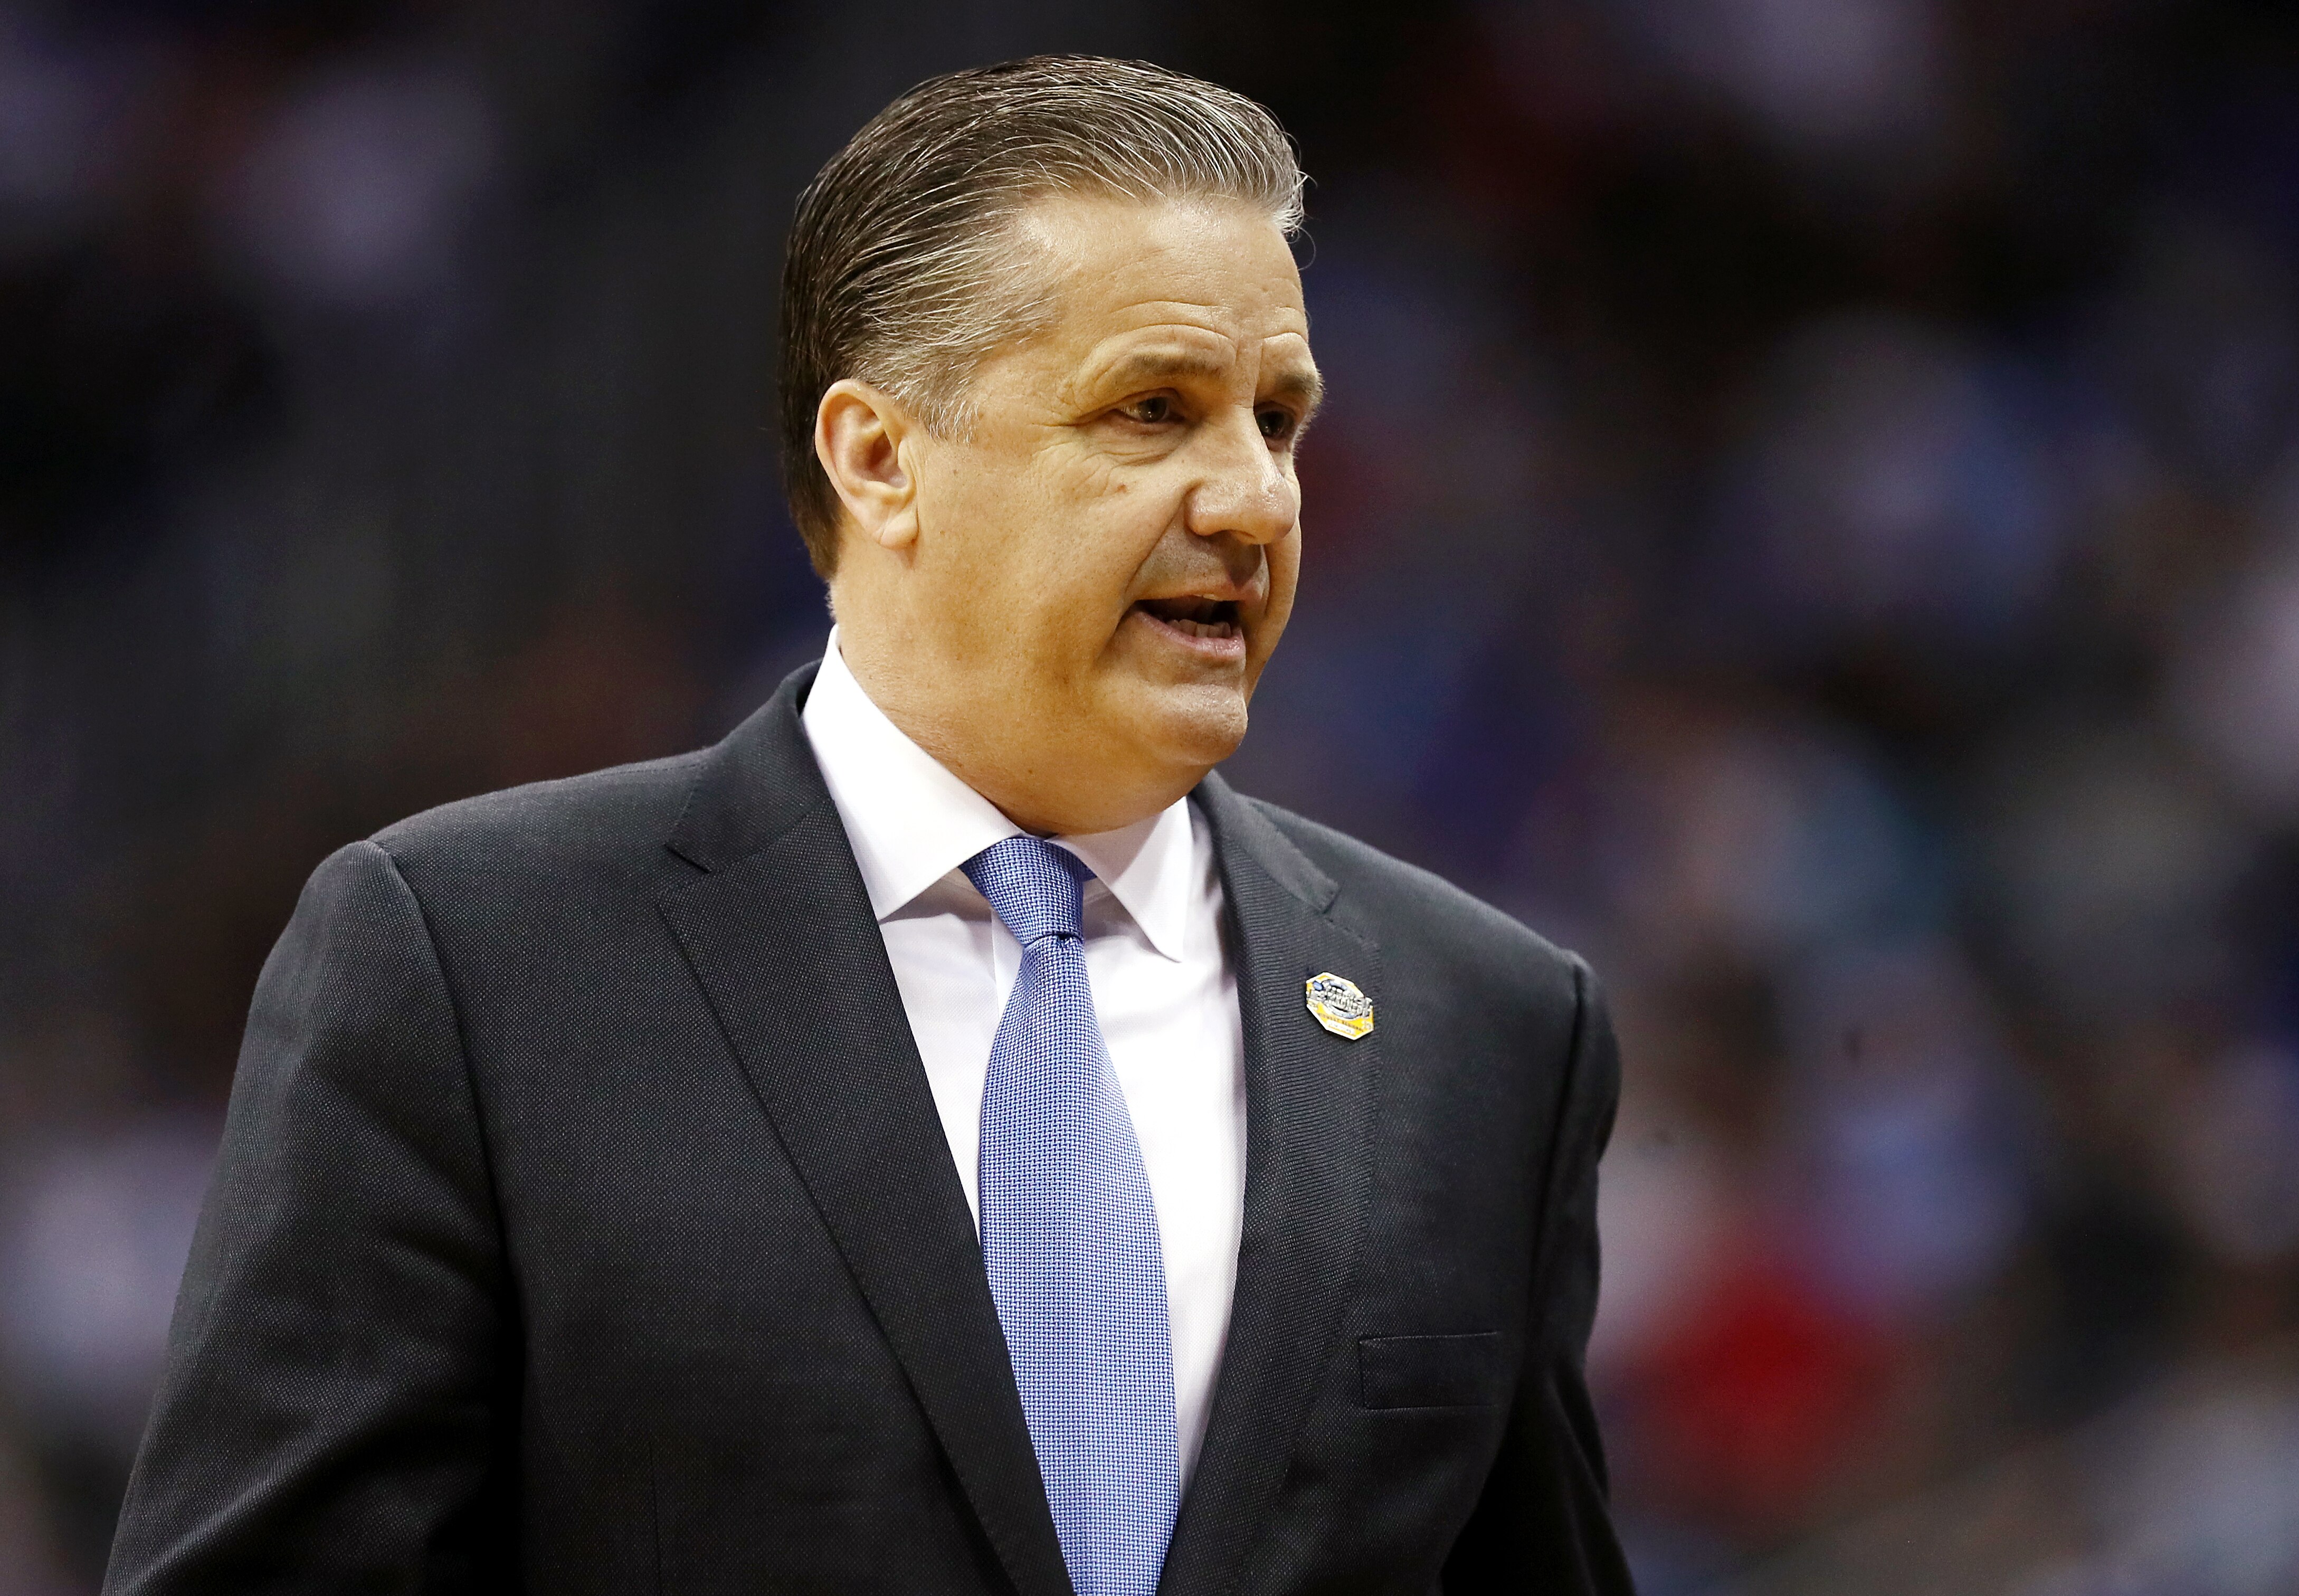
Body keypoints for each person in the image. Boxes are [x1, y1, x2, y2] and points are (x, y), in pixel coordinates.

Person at [104, 55, 1635, 1595]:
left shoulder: (1487, 1026)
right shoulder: (468, 964)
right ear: (879, 458)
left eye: (1278, 421)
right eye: (1153, 410)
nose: (1252, 501)